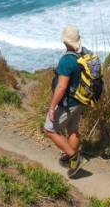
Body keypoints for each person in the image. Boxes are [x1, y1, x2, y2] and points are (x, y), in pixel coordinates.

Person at [43, 24, 86, 178]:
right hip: (81, 101)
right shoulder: (84, 55)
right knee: (72, 130)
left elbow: (61, 87)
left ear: (65, 42)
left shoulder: (67, 60)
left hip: (69, 104)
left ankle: (74, 157)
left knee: (49, 129)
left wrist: (52, 107)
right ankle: (72, 164)